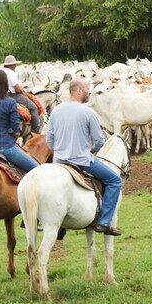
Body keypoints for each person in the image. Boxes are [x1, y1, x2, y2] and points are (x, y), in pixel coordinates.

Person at [46, 78, 123, 235]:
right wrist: (91, 150)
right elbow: (100, 141)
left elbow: (49, 141)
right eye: (88, 88)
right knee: (115, 180)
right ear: (79, 91)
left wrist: (62, 149)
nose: (90, 91)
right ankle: (103, 222)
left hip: (59, 162)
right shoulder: (88, 112)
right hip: (82, 161)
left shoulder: (56, 111)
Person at [0, 69, 40, 173]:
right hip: (7, 148)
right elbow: (16, 132)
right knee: (38, 170)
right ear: (5, 84)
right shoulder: (10, 103)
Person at [0, 55, 42, 133]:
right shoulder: (11, 73)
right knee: (33, 107)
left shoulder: (0, 71)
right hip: (13, 96)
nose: (15, 66)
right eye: (14, 64)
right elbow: (17, 89)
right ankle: (35, 132)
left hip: (0, 95)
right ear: (11, 65)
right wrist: (22, 90)